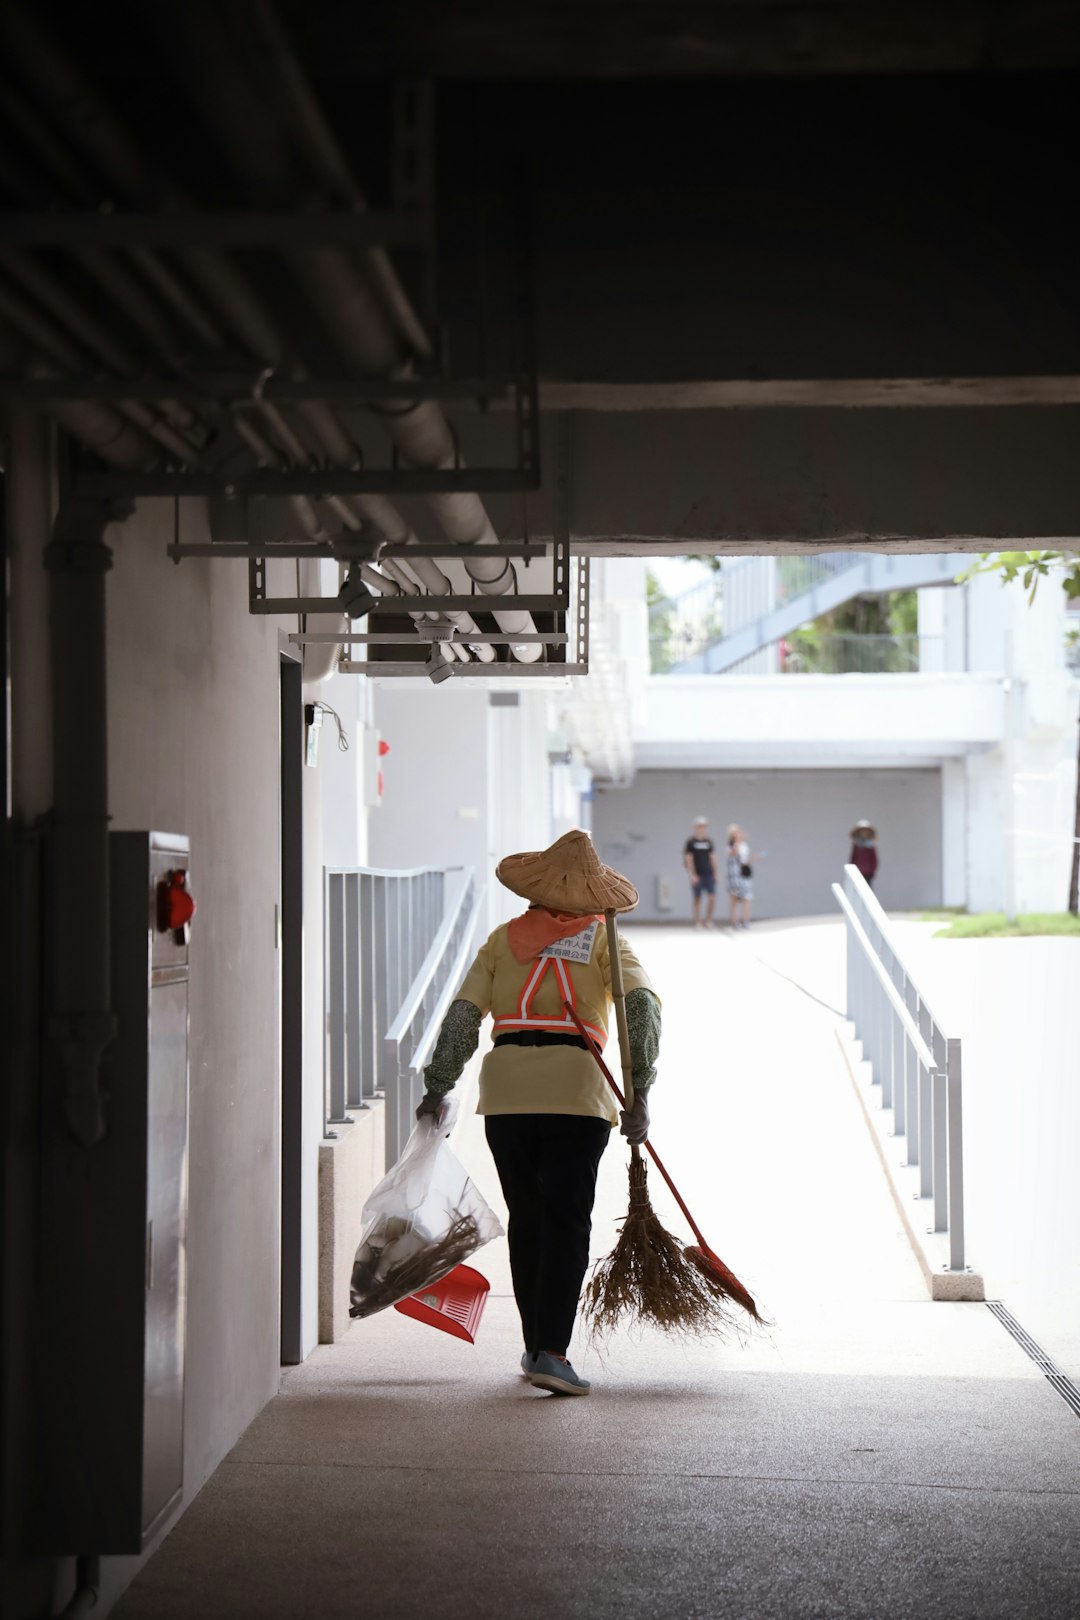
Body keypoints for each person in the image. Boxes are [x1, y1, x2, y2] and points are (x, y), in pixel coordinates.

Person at [415, 830, 661, 1397]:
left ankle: (535, 1345)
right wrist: (640, 1089)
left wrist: (439, 1084)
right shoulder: (604, 940)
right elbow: (640, 1011)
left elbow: (462, 1015)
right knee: (568, 1219)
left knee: (528, 1218)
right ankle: (552, 1351)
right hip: (578, 1094)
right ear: (593, 897)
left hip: (507, 1096)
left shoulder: (504, 939)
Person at [683, 815, 719, 928]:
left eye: (704, 826)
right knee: (697, 898)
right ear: (695, 827)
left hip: (708, 873)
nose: (702, 828)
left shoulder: (708, 841)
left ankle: (708, 920)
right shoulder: (691, 842)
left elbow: (712, 857)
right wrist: (692, 874)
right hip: (697, 874)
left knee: (712, 896)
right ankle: (697, 921)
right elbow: (688, 859)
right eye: (700, 826)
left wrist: (716, 872)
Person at [726, 823, 753, 929]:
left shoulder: (745, 846)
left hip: (743, 874)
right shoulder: (730, 845)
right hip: (734, 876)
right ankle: (735, 922)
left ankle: (746, 920)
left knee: (747, 897)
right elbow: (734, 853)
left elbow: (745, 860)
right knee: (734, 898)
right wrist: (737, 841)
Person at [850, 820, 879, 888]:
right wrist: (853, 870)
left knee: (867, 889)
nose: (864, 833)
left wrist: (872, 871)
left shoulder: (871, 846)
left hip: (868, 874)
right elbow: (853, 858)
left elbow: (874, 860)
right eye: (862, 831)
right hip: (857, 873)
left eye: (866, 831)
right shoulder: (856, 845)